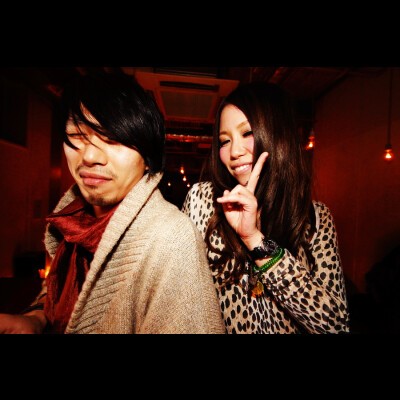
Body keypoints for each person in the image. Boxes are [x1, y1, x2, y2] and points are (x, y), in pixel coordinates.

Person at [0, 71, 225, 334]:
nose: (90, 156)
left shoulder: (171, 239)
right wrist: (36, 319)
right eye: (77, 135)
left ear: (148, 158)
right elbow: (62, 293)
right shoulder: (74, 220)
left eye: (112, 139)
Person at [182, 81, 350, 334]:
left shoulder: (315, 217)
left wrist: (255, 240)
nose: (234, 151)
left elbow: (335, 325)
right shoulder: (203, 201)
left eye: (247, 133)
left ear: (278, 135)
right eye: (224, 141)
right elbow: (181, 301)